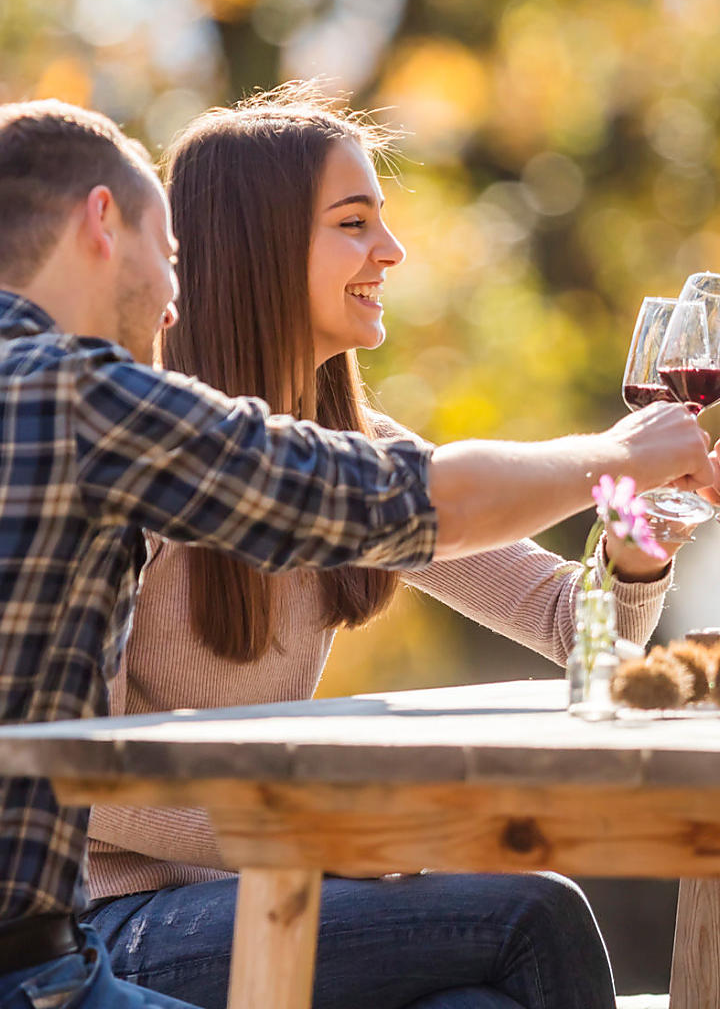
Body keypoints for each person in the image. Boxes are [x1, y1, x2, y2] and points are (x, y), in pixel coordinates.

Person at [0, 100, 707, 1009]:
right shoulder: (159, 447)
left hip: (259, 895)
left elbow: (579, 632)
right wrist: (312, 834)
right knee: (535, 917)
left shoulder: (345, 445)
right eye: (353, 223)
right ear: (256, 245)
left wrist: (634, 527)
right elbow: (80, 784)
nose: (393, 250)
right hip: (122, 917)